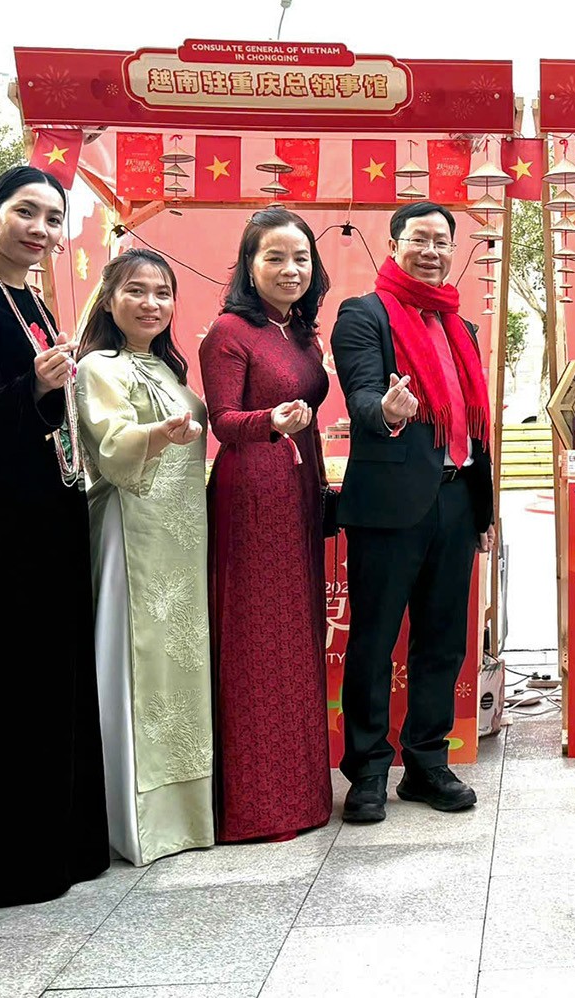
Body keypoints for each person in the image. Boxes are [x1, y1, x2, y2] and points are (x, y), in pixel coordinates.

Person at [0, 165, 110, 920]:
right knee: (13, 681)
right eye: (26, 212)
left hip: (54, 511)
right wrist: (33, 389)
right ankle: (12, 860)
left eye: (52, 218)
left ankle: (65, 842)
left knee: (57, 675)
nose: (40, 229)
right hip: (2, 527)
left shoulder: (32, 300)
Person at [331, 201, 495, 823]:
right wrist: (386, 412)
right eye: (419, 239)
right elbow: (362, 393)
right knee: (374, 641)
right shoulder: (363, 314)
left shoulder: (461, 326)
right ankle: (369, 771)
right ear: (394, 245)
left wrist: (482, 509)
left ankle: (427, 763)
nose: (431, 252)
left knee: (443, 641)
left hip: (456, 500)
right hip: (390, 506)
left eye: (442, 242)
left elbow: (475, 427)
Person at [75, 251, 217, 865]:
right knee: (136, 668)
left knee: (178, 669)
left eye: (163, 293)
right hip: (130, 532)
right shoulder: (97, 368)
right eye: (136, 291)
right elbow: (110, 445)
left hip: (181, 542)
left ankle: (185, 816)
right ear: (109, 300)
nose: (151, 304)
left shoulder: (167, 368)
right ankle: (135, 823)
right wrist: (160, 435)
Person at [201, 208, 334, 841]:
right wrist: (271, 422)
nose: (290, 269)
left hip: (299, 487)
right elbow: (222, 421)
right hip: (253, 490)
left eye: (300, 258)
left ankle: (303, 794)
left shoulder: (301, 331)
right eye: (274, 257)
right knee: (258, 639)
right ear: (248, 266)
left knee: (297, 635)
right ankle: (260, 806)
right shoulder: (229, 331)